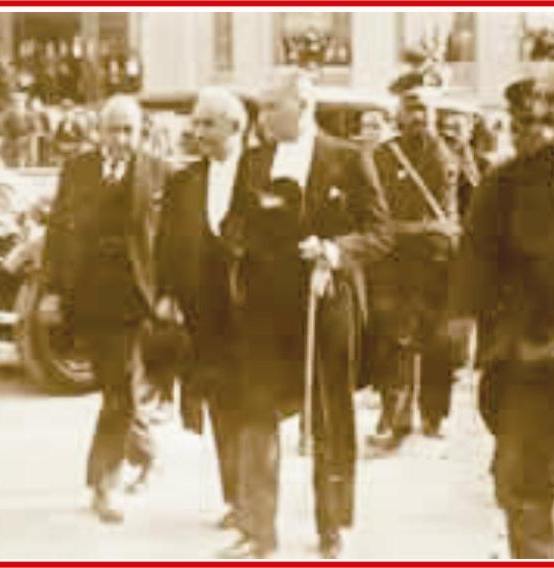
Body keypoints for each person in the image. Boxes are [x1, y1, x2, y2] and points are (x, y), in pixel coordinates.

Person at [222, 70, 390, 559]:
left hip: (325, 301)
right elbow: (234, 222)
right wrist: (245, 242)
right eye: (260, 107)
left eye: (271, 106)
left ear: (302, 104)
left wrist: (334, 251)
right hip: (265, 309)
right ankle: (259, 531)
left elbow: (380, 232)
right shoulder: (253, 161)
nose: (261, 117)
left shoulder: (347, 157)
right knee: (257, 414)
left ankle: (331, 526)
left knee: (329, 417)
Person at [452, 49, 554, 559]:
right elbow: (474, 265)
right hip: (528, 367)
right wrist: (497, 341)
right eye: (537, 97)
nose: (540, 110)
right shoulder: (509, 180)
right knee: (523, 491)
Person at [43, 95, 171, 524]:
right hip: (87, 295)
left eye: (129, 130)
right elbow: (57, 232)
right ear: (99, 131)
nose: (121, 139)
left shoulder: (158, 171)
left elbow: (167, 239)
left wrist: (168, 293)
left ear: (140, 132)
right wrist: (51, 291)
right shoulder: (77, 169)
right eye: (113, 129)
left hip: (134, 299)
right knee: (116, 384)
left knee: (119, 390)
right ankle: (148, 453)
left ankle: (104, 482)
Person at [155, 87, 248, 531]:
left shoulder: (262, 173)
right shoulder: (183, 181)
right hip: (204, 316)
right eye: (195, 123)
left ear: (236, 126)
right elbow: (167, 244)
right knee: (222, 406)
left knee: (256, 407)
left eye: (208, 124)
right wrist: (166, 295)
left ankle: (255, 499)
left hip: (255, 313)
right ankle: (236, 498)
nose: (197, 132)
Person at [364, 88, 460, 448]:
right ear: (399, 115)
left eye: (425, 109)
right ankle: (394, 417)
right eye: (412, 109)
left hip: (438, 262)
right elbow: (374, 208)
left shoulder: (452, 152)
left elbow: (465, 206)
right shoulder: (383, 156)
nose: (419, 116)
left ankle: (434, 415)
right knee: (393, 341)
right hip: (395, 262)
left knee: (438, 342)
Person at [0, 90, 38, 167]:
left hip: (26, 140)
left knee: (29, 147)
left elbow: (34, 129)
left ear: (24, 103)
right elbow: (2, 126)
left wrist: (27, 137)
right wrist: (8, 136)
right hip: (11, 139)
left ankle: (26, 163)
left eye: (20, 102)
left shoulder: (30, 115)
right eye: (15, 103)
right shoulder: (8, 115)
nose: (18, 104)